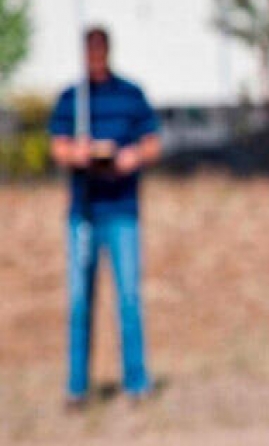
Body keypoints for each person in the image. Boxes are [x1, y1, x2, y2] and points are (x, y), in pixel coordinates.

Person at [49, 26, 161, 406]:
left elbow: (152, 144)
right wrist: (78, 155)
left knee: (128, 298)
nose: (95, 57)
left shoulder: (130, 96)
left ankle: (137, 383)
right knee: (80, 300)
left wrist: (130, 158)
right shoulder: (71, 99)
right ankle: (76, 388)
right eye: (89, 51)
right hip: (83, 211)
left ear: (108, 52)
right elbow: (58, 147)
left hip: (122, 211)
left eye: (100, 51)